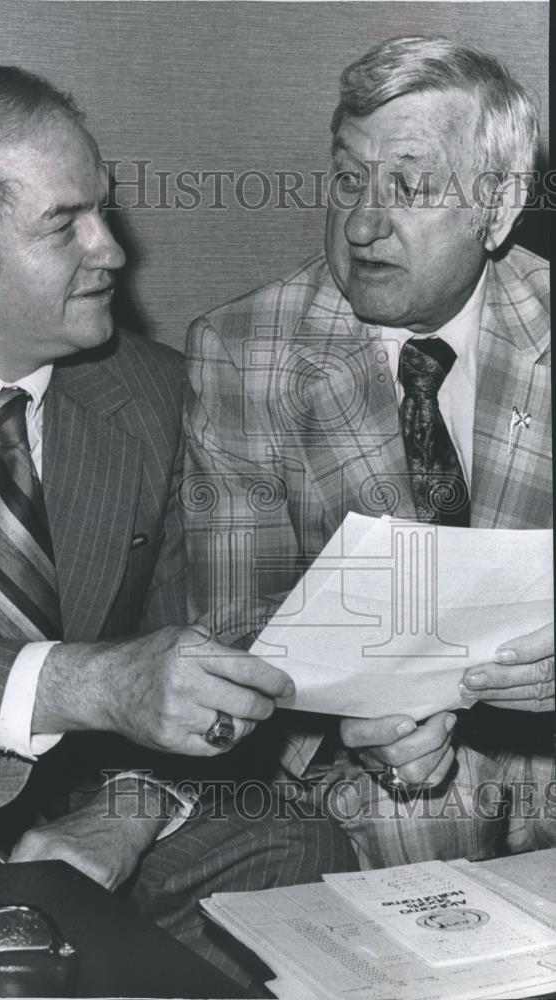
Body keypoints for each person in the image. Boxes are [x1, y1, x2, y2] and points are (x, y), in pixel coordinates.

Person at [0, 65, 357, 985]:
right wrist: (87, 683)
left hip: (70, 828)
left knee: (297, 844)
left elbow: (218, 644)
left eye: (102, 209)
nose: (111, 249)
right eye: (61, 224)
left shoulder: (153, 392)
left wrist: (125, 811)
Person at [182, 36, 554, 868]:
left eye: (410, 188)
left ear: (498, 208)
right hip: (362, 760)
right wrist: (356, 724)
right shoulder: (245, 349)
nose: (360, 223)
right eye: (350, 179)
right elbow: (239, 629)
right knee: (412, 821)